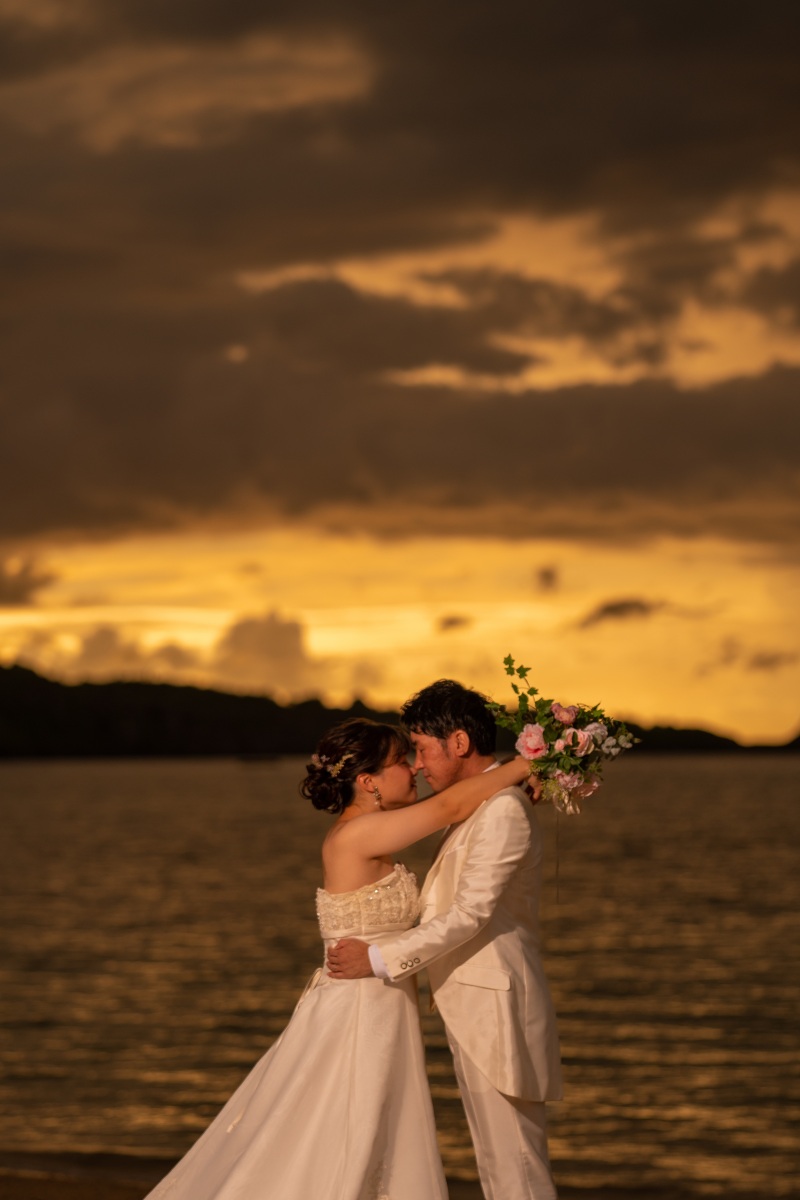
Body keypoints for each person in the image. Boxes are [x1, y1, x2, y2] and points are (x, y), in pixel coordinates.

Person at [143, 716, 532, 1200]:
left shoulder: (371, 830)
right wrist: (528, 763)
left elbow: (458, 810)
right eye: (399, 762)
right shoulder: (356, 836)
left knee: (373, 1130)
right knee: (348, 1132)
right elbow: (452, 804)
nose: (412, 770)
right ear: (367, 781)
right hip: (359, 1010)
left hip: (381, 1002)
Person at [328, 681, 563, 1200]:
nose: (417, 763)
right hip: (473, 1008)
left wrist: (379, 957)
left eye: (423, 748)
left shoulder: (500, 810)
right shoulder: (485, 804)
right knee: (501, 1168)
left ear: (458, 743)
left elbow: (469, 914)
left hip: (495, 1012)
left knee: (516, 1171)